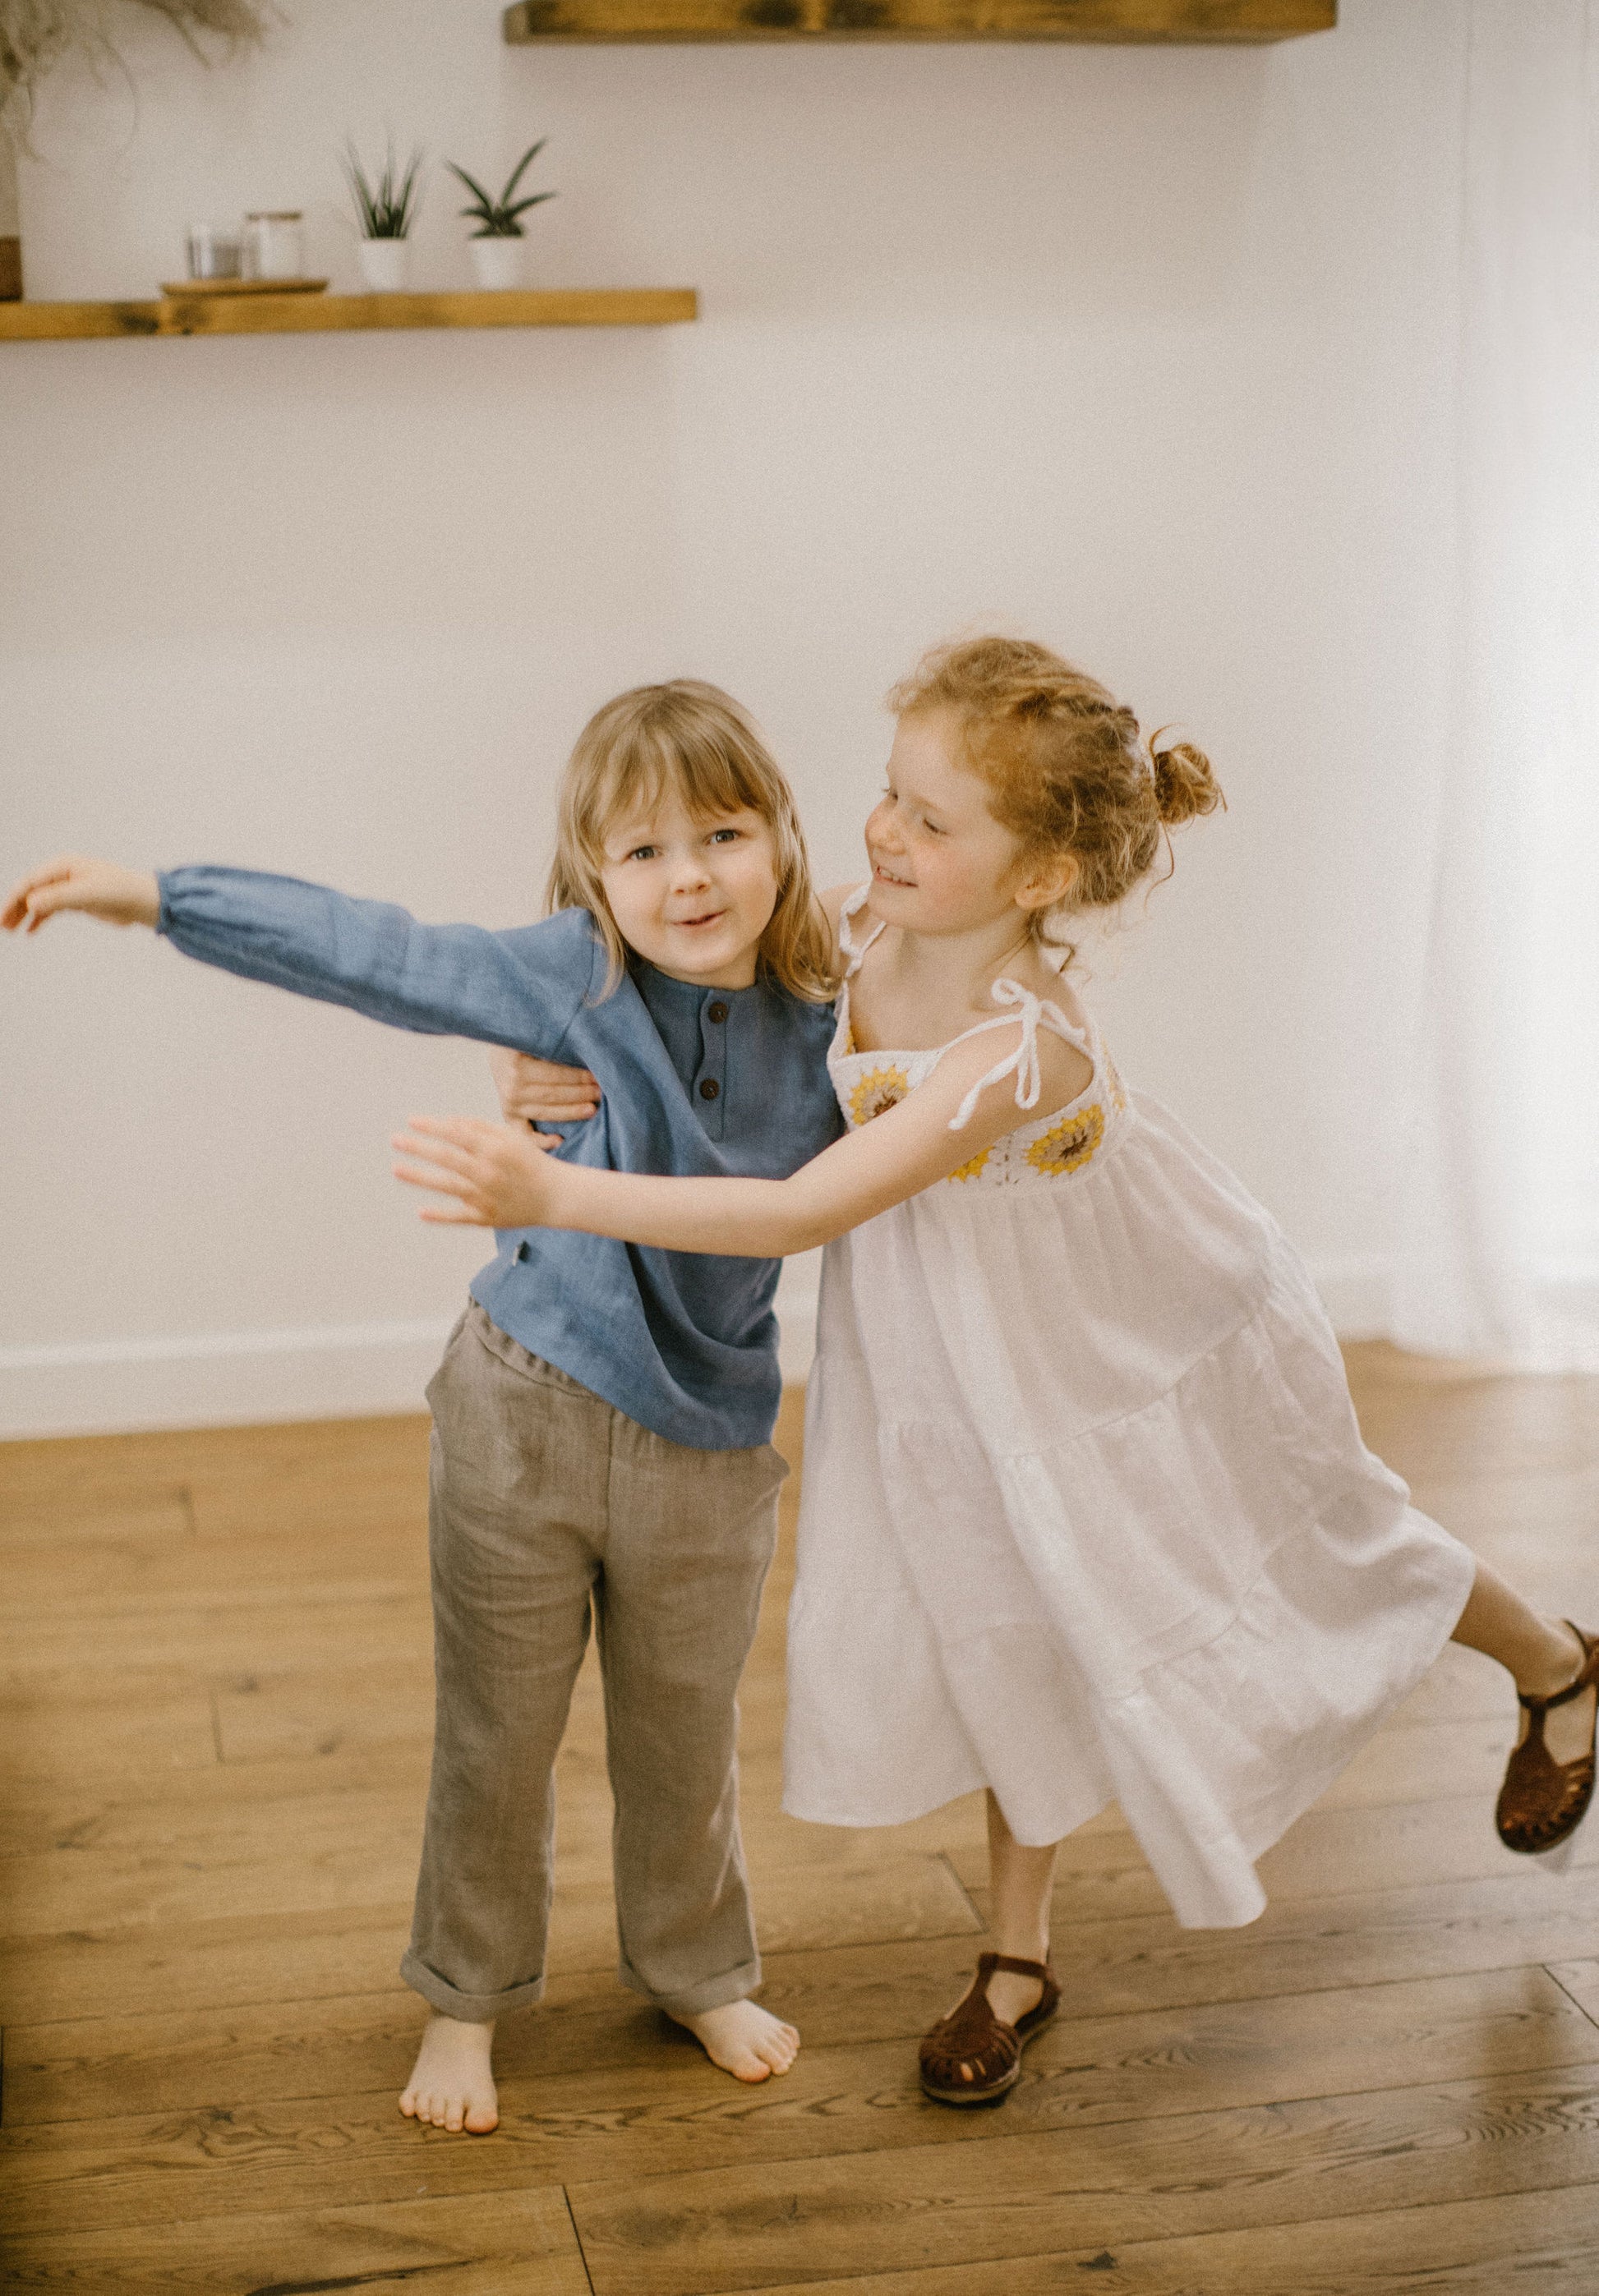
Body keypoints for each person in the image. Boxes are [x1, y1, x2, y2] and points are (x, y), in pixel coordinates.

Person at [389, 635, 1599, 2108]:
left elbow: (798, 1212)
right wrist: (536, 1071)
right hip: (963, 1358)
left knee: (1313, 1532)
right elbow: (676, 982)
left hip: (1120, 1342)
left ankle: (1555, 1660)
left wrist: (552, 1195)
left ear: (1034, 879)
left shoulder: (1018, 1055)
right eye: (885, 796)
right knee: (1008, 1609)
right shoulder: (854, 926)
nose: (883, 832)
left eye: (929, 819)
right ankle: (1014, 1962)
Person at [2, 679, 846, 2134]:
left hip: (708, 1449)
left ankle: (695, 1969)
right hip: (522, 1414)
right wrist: (155, 896)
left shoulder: (837, 1014)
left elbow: (927, 1108)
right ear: (591, 873)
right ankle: (466, 2001)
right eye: (641, 851)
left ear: (782, 834)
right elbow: (380, 951)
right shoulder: (567, 982)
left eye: (721, 831)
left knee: (683, 1741)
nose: (689, 876)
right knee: (495, 1737)